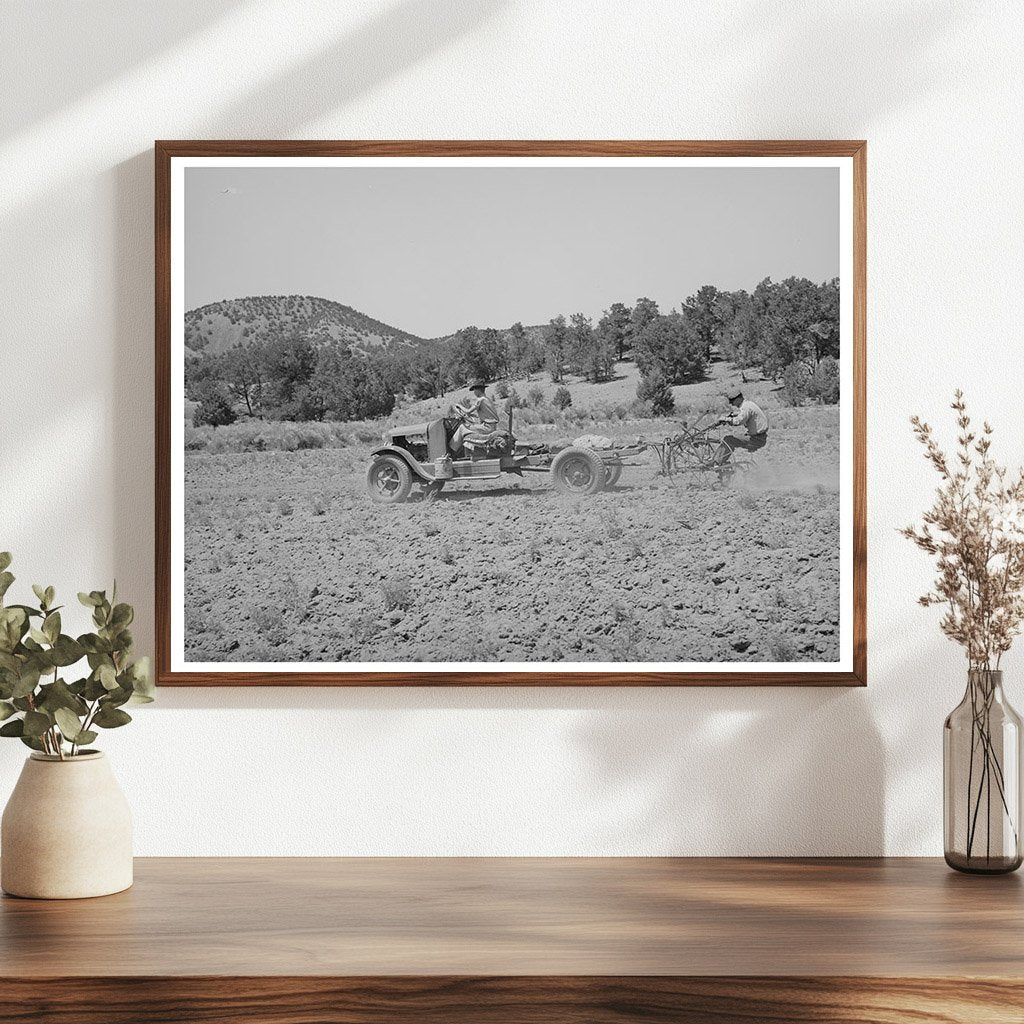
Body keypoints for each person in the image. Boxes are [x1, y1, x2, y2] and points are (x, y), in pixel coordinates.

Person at [715, 387, 768, 464]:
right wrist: (732, 416)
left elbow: (739, 421)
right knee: (732, 440)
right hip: (759, 437)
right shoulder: (749, 404)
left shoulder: (746, 407)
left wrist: (725, 419)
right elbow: (743, 415)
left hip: (756, 439)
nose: (731, 403)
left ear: (739, 398)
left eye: (732, 400)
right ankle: (721, 462)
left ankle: (716, 463)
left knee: (728, 440)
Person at [451, 380, 499, 456]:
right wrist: (471, 416)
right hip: (491, 426)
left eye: (474, 390)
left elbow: (468, 411)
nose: (474, 392)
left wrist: (459, 406)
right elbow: (482, 414)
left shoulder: (480, 400)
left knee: (461, 428)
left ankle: (451, 451)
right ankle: (467, 454)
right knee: (467, 428)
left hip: (487, 428)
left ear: (477, 390)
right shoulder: (487, 399)